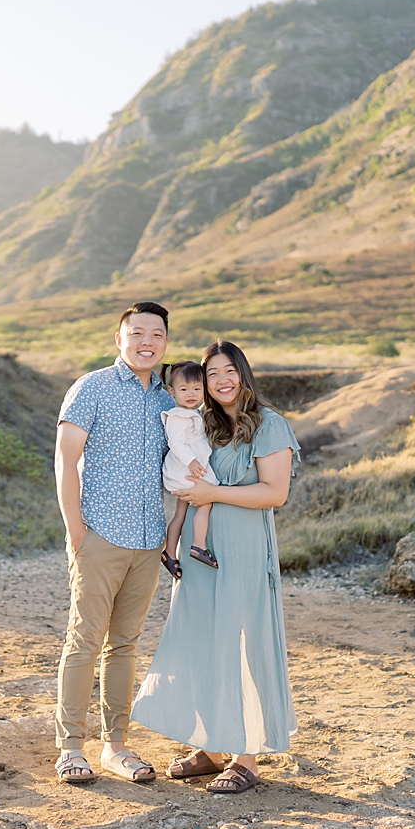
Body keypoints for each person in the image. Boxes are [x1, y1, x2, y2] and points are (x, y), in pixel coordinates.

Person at [131, 340, 302, 794]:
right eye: (212, 374)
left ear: (243, 374)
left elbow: (274, 493)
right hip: (200, 551)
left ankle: (245, 755)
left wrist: (213, 495)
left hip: (243, 548)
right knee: (202, 637)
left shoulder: (269, 425)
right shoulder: (204, 424)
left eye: (229, 371)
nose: (221, 381)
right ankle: (209, 746)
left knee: (241, 640)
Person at [52, 301, 175, 784]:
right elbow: (65, 462)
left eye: (157, 334)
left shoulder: (170, 399)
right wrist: (75, 530)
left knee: (125, 644)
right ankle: (70, 749)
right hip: (99, 534)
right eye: (137, 332)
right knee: (84, 640)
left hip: (149, 540)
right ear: (119, 339)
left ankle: (115, 747)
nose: (147, 341)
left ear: (165, 342)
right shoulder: (92, 388)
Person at [160, 361, 219, 573]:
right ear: (172, 391)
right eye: (184, 389)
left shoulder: (193, 412)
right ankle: (199, 545)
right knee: (207, 500)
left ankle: (169, 553)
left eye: (197, 388)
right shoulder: (177, 416)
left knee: (180, 514)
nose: (191, 394)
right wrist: (191, 461)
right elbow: (175, 443)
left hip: (184, 472)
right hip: (185, 471)